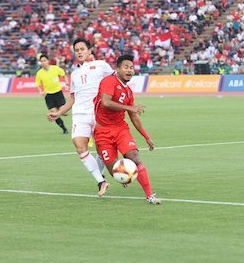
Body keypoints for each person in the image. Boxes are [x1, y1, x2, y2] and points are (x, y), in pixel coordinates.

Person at [48, 38, 114, 196]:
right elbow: (72, 99)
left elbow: (114, 82)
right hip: (80, 115)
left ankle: (107, 174)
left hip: (99, 113)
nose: (79, 52)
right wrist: (58, 112)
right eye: (76, 50)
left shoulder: (101, 65)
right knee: (79, 146)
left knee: (102, 149)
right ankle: (101, 181)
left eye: (82, 49)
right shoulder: (75, 74)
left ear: (89, 50)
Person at [93, 54, 161, 205]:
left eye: (131, 68)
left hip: (120, 129)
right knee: (115, 171)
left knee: (134, 157)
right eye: (126, 67)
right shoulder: (109, 81)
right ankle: (123, 177)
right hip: (102, 132)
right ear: (117, 69)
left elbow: (134, 117)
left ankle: (150, 195)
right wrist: (130, 107)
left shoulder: (128, 92)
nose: (129, 70)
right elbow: (105, 102)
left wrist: (146, 136)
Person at [35, 54, 69, 134]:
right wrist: (40, 91)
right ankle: (64, 129)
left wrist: (67, 83)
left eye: (44, 60)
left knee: (65, 113)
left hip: (58, 94)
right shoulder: (39, 73)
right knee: (54, 113)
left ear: (48, 61)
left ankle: (60, 113)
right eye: (41, 61)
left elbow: (64, 75)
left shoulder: (55, 69)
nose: (43, 62)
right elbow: (38, 85)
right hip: (49, 96)